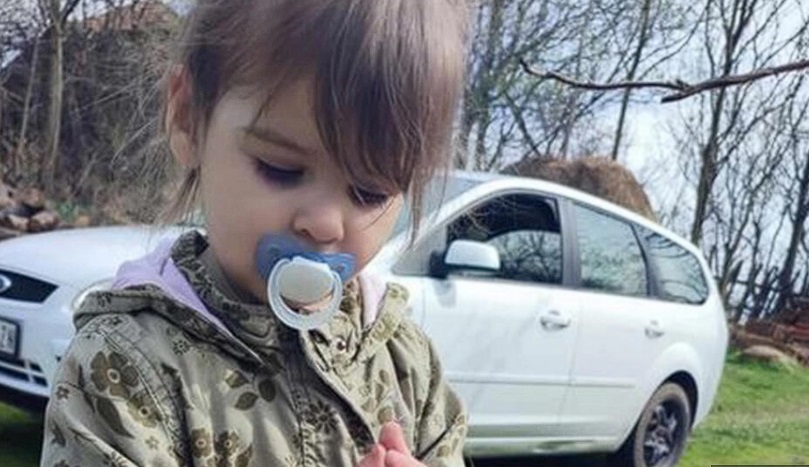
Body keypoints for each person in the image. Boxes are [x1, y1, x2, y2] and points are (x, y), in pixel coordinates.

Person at [40, 1, 470, 466]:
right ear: (188, 116)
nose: (325, 223)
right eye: (281, 169)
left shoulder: (406, 365)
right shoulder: (123, 367)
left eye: (369, 192)